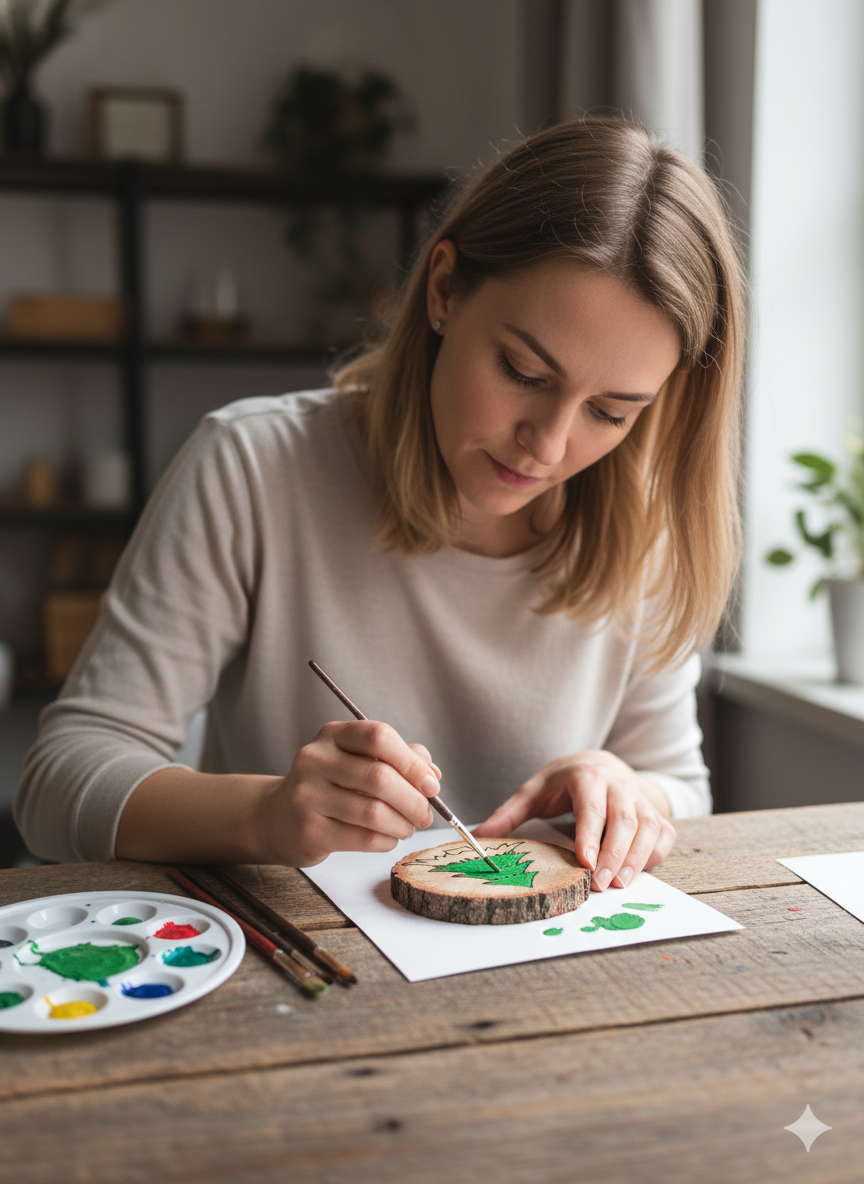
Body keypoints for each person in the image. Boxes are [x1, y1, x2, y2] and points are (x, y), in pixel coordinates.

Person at [15, 118, 744, 892]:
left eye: (612, 412)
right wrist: (266, 816)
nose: (549, 445)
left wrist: (627, 789)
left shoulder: (640, 528)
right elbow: (57, 783)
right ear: (442, 291)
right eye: (524, 372)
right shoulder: (253, 467)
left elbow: (681, 791)